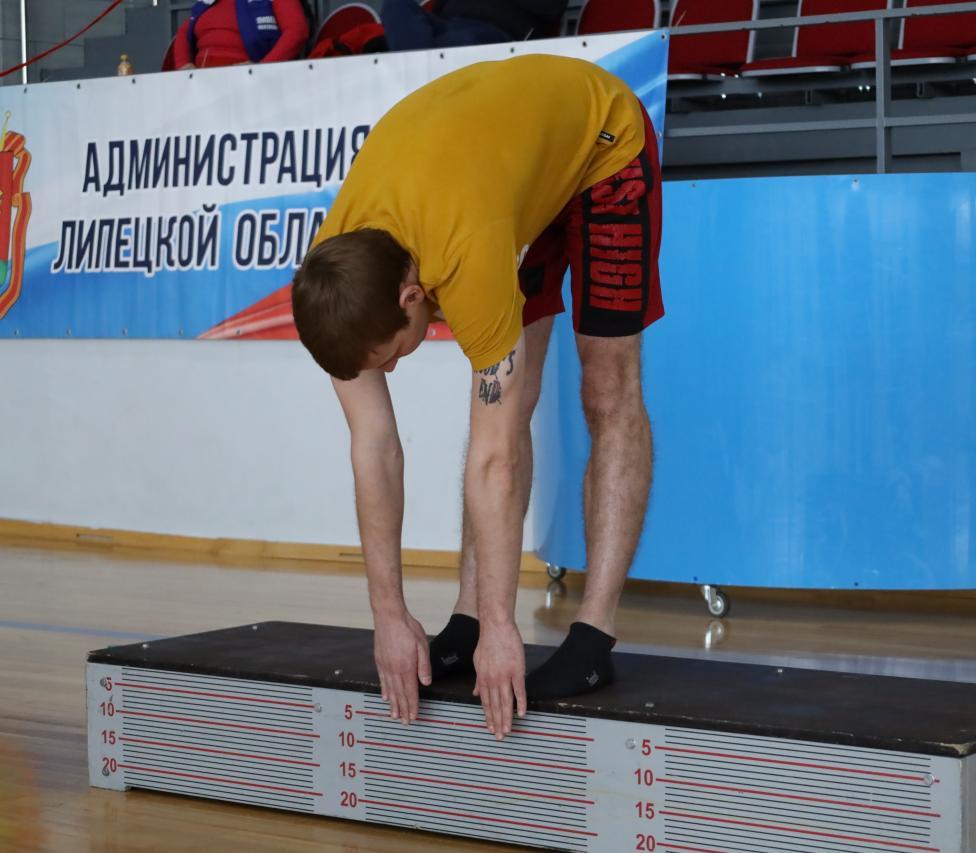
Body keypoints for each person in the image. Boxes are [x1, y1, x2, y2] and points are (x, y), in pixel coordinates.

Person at [291, 55, 662, 741]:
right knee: (507, 400)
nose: (390, 370)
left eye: (392, 355)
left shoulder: (465, 251)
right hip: (504, 175)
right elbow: (373, 445)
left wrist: (505, 627)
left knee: (605, 386)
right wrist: (388, 613)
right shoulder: (335, 278)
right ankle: (465, 617)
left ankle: (594, 633)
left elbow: (495, 459)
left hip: (602, 144)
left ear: (413, 296)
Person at [380, 0, 568, 51]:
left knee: (460, 40)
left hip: (497, 32)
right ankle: (420, 65)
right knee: (395, 4)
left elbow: (552, 7)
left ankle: (416, 69)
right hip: (448, 25)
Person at [173, 0, 309, 70]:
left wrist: (262, 68)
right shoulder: (207, 2)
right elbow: (183, 33)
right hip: (202, 85)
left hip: (252, 84)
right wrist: (183, 64)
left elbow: (297, 31)